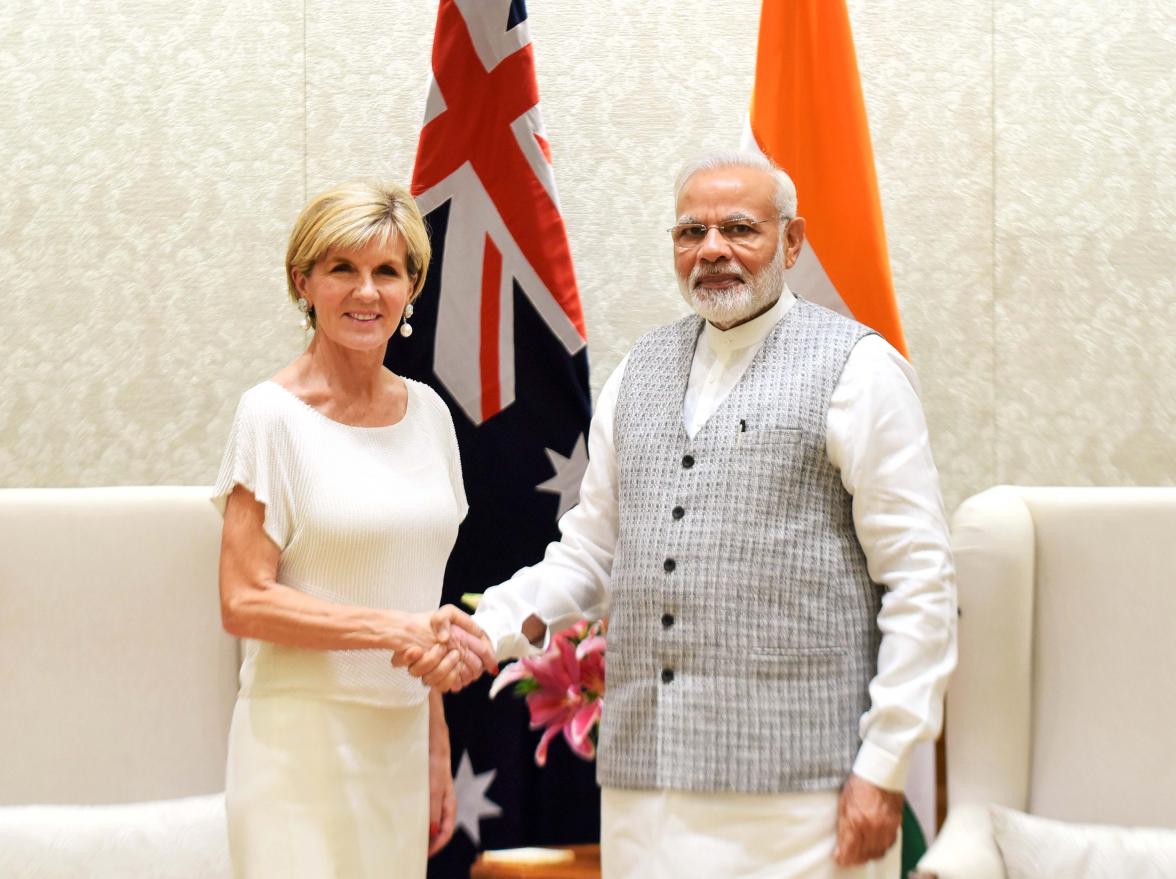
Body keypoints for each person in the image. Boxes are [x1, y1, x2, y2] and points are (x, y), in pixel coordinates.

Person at [472, 153, 957, 879]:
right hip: (647, 793)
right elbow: (590, 556)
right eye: (691, 231)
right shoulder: (639, 369)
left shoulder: (861, 370)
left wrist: (884, 764)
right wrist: (483, 630)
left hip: (804, 798)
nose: (713, 250)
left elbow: (920, 579)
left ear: (792, 243)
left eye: (740, 229)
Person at [212, 181, 497, 878]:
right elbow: (243, 601)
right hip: (297, 746)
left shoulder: (430, 414)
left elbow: (422, 596)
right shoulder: (270, 416)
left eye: (387, 271)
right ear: (302, 280)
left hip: (398, 745)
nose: (365, 291)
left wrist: (436, 745)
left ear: (411, 288)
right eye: (342, 268)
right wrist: (390, 629)